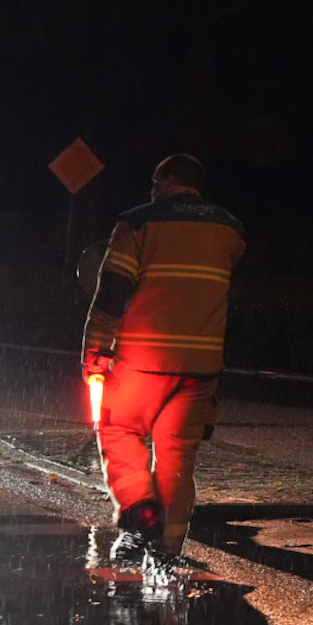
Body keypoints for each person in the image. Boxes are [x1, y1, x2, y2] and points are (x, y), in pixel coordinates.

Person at [81, 154, 245, 571]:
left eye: (155, 182)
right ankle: (168, 550)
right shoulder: (229, 230)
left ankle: (139, 514)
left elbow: (113, 294)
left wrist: (95, 352)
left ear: (165, 180)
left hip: (142, 359)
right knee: (177, 456)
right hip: (201, 366)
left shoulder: (138, 223)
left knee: (118, 431)